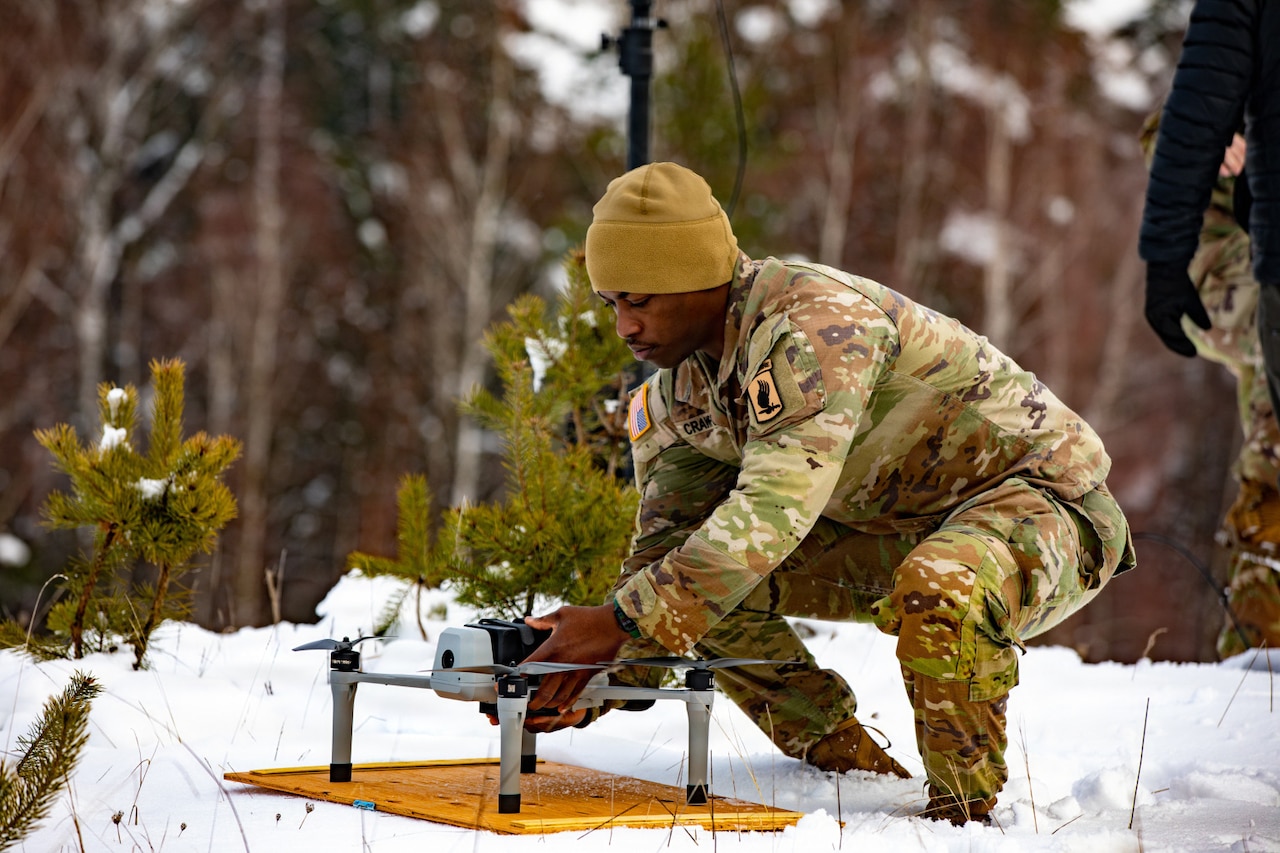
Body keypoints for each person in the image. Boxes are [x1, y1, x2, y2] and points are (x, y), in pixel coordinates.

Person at [522, 161, 1135, 825]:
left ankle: (965, 818)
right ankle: (851, 771)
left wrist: (615, 624)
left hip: (1045, 507)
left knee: (942, 581)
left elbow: (770, 514)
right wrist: (589, 682)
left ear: (692, 276)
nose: (624, 328)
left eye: (638, 301)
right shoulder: (677, 394)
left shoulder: (815, 328)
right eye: (611, 304)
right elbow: (668, 555)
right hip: (895, 530)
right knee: (703, 581)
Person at [1140, 113, 1280, 657]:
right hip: (1221, 262)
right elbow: (1162, 129)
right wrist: (1213, 133)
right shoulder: (1246, 55)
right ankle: (1260, 638)